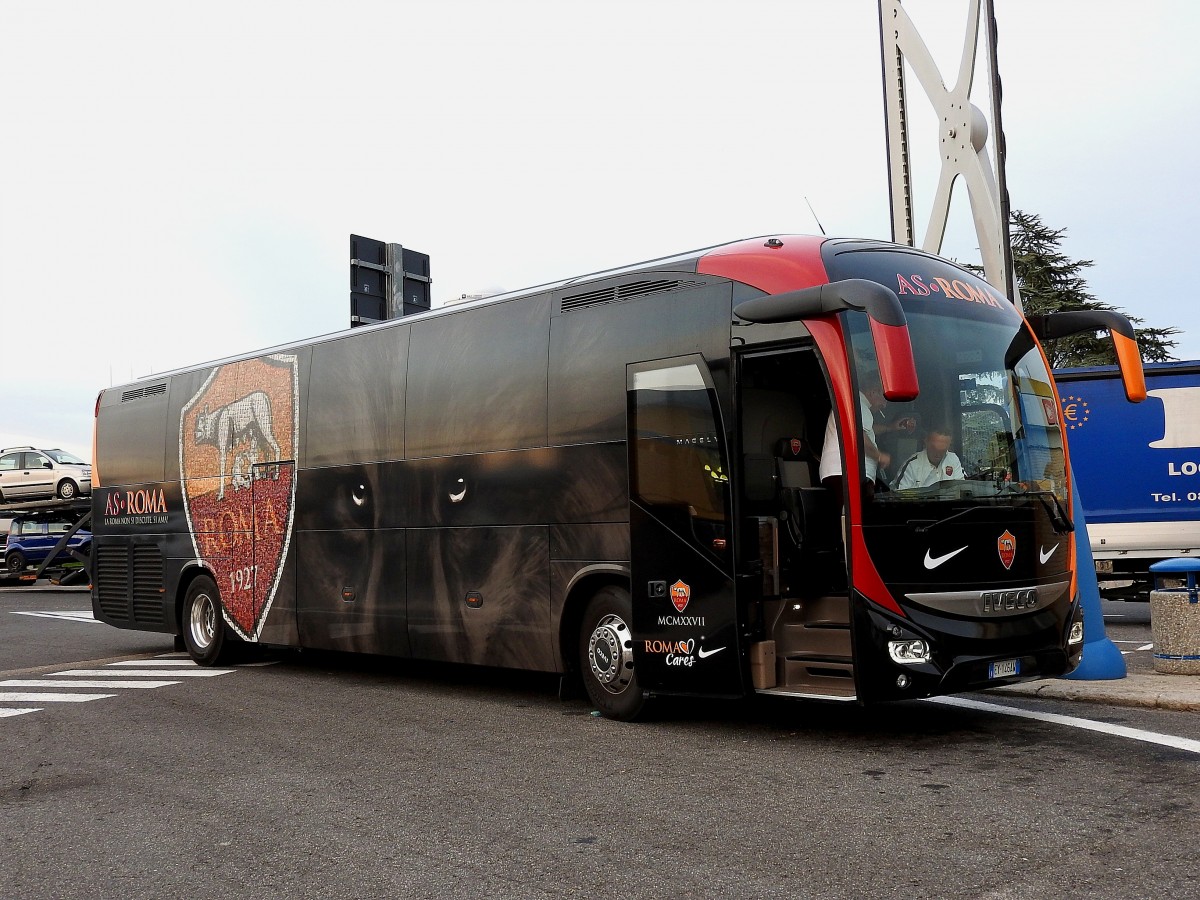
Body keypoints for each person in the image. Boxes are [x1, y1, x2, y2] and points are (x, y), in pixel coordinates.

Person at [819, 374, 895, 505]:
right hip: (848, 473)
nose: (884, 405)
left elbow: (868, 429)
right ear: (873, 392)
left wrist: (890, 427)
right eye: (884, 399)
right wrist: (880, 456)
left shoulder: (854, 404)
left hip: (840, 471)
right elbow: (859, 438)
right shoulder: (859, 405)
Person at [894, 426, 965, 489]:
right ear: (926, 442)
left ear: (949, 446)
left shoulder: (953, 459)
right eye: (934, 448)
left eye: (942, 450)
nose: (938, 454)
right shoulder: (912, 465)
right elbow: (899, 495)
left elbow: (961, 488)